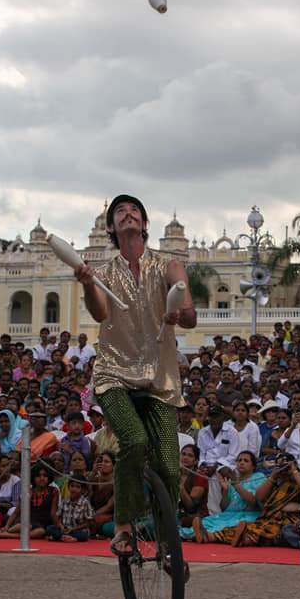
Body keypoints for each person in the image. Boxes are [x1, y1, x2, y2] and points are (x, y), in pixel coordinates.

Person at [74, 194, 196, 557]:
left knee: (170, 468)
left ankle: (165, 544)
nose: (128, 215)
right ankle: (124, 527)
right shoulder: (104, 272)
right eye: (120, 213)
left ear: (144, 224)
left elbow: (189, 314)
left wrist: (179, 312)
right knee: (134, 441)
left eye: (135, 212)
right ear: (111, 227)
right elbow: (99, 313)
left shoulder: (168, 266)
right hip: (114, 375)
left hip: (160, 381)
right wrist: (85, 283)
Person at [186, 450, 266, 542]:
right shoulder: (233, 480)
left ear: (253, 466)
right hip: (228, 515)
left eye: (246, 461)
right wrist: (225, 490)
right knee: (207, 521)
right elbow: (223, 507)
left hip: (248, 515)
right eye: (239, 460)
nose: (242, 463)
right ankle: (194, 535)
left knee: (229, 524)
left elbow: (253, 501)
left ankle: (206, 536)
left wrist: (236, 485)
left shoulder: (259, 477)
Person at [47, 475, 95, 542]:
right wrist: (61, 526)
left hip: (77, 530)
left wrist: (73, 529)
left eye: (77, 487)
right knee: (49, 528)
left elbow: (88, 522)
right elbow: (58, 517)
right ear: (68, 487)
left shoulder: (85, 503)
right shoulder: (64, 501)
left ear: (83, 490)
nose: (74, 489)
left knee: (83, 535)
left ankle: (63, 537)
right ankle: (66, 537)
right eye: (72, 486)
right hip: (65, 529)